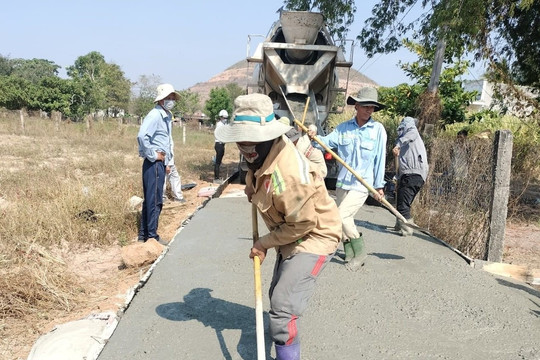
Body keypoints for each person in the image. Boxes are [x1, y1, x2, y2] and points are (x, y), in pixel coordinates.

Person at [215, 93, 341, 360]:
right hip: (290, 232)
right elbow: (256, 171)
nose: (246, 148)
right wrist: (251, 183)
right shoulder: (261, 155)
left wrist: (263, 243)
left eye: (252, 142)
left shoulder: (289, 174)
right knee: (276, 295)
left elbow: (304, 223)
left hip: (314, 235)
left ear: (268, 137)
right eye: (241, 140)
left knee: (282, 307)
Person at [311, 87, 387, 270]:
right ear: (357, 106)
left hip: (362, 183)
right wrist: (313, 137)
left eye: (372, 107)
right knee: (343, 219)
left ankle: (360, 253)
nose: (369, 110)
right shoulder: (344, 128)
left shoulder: (377, 130)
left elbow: (380, 159)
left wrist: (378, 186)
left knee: (342, 215)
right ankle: (349, 252)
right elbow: (326, 143)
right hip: (343, 182)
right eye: (365, 106)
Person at [137, 83, 180, 244]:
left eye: (172, 98)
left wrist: (167, 162)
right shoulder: (155, 115)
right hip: (154, 163)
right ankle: (152, 236)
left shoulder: (166, 116)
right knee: (155, 200)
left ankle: (144, 235)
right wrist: (153, 155)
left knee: (151, 199)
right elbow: (142, 136)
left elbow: (166, 142)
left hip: (159, 163)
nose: (171, 100)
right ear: (161, 99)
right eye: (168, 97)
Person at [392, 117, 428, 236]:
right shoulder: (405, 143)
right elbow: (400, 163)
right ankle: (399, 224)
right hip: (411, 174)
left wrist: (398, 145)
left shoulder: (412, 132)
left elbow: (409, 135)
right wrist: (397, 177)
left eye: (402, 127)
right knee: (402, 201)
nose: (401, 130)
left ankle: (407, 230)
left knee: (403, 204)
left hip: (413, 174)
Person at [162, 132, 186, 204]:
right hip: (167, 162)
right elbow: (166, 149)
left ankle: (177, 197)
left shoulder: (167, 133)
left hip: (170, 161)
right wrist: (167, 164)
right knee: (164, 179)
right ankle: (163, 198)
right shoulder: (164, 134)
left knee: (174, 178)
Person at [213, 109, 228, 182]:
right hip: (219, 144)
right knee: (217, 163)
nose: (225, 119)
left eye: (226, 118)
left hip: (222, 145)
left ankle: (217, 177)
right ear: (221, 117)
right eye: (224, 118)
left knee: (219, 161)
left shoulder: (223, 124)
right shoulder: (219, 125)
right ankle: (216, 178)